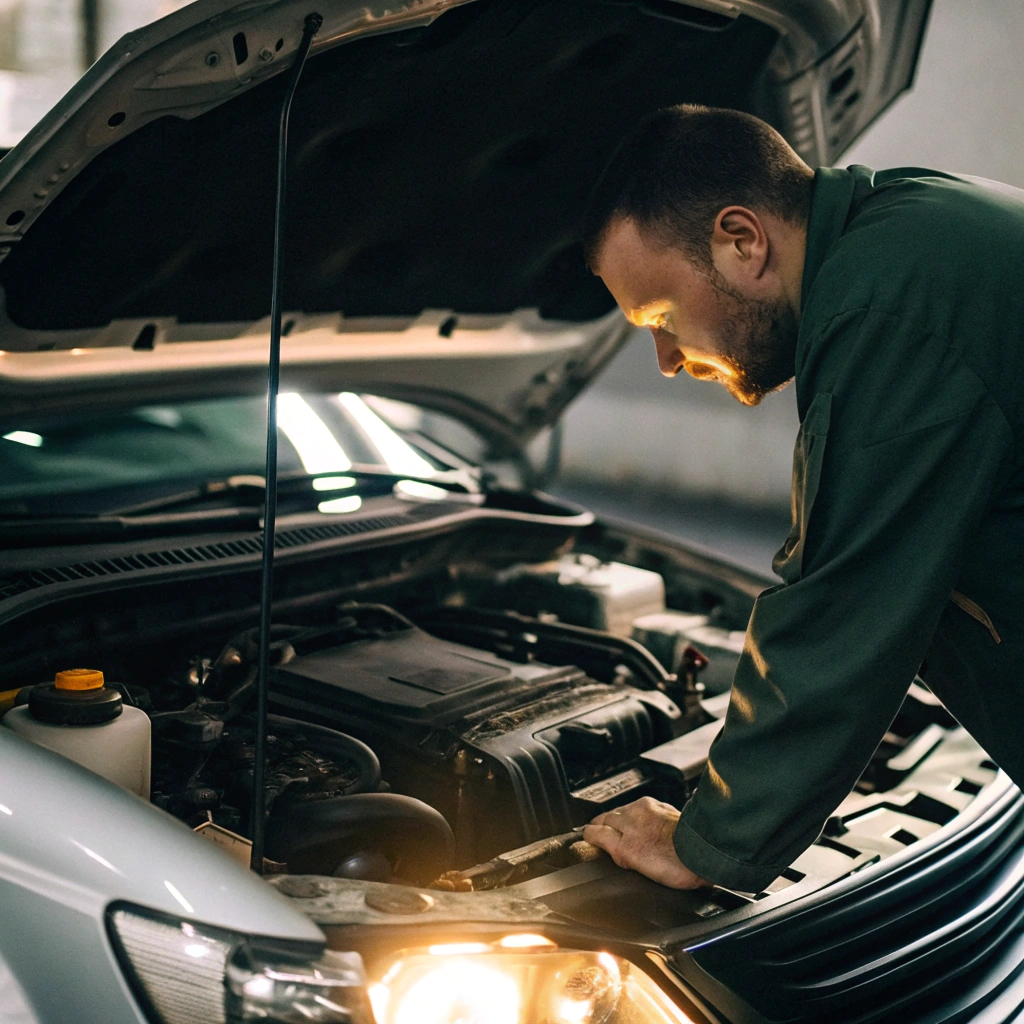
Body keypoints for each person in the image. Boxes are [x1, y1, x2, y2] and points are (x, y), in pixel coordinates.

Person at [579, 104, 1024, 894]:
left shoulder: (889, 305)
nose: (666, 361)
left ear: (742, 239)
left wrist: (707, 844)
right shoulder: (909, 228)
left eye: (660, 316)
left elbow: (847, 599)